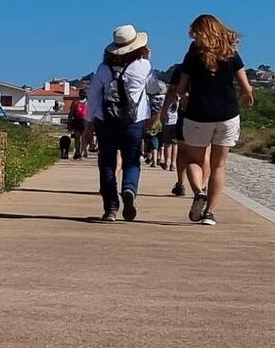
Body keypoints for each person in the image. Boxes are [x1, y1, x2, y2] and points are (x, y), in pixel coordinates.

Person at [165, 13, 254, 226]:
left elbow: (181, 88)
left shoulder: (192, 56)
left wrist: (184, 99)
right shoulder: (231, 53)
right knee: (219, 166)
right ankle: (210, 213)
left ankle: (198, 192)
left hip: (198, 114)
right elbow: (245, 85)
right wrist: (246, 96)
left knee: (194, 160)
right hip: (227, 115)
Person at [87, 24, 154, 221]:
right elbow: (153, 88)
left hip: (105, 121)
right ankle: (129, 189)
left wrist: (89, 124)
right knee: (132, 160)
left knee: (107, 163)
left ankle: (111, 208)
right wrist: (147, 61)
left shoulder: (103, 68)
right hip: (133, 121)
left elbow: (93, 97)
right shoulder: (143, 66)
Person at [65, 93, 89, 158]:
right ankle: (84, 151)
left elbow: (71, 114)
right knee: (84, 137)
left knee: (77, 138)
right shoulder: (88, 102)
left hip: (77, 121)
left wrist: (69, 124)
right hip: (85, 121)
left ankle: (77, 151)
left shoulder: (75, 102)